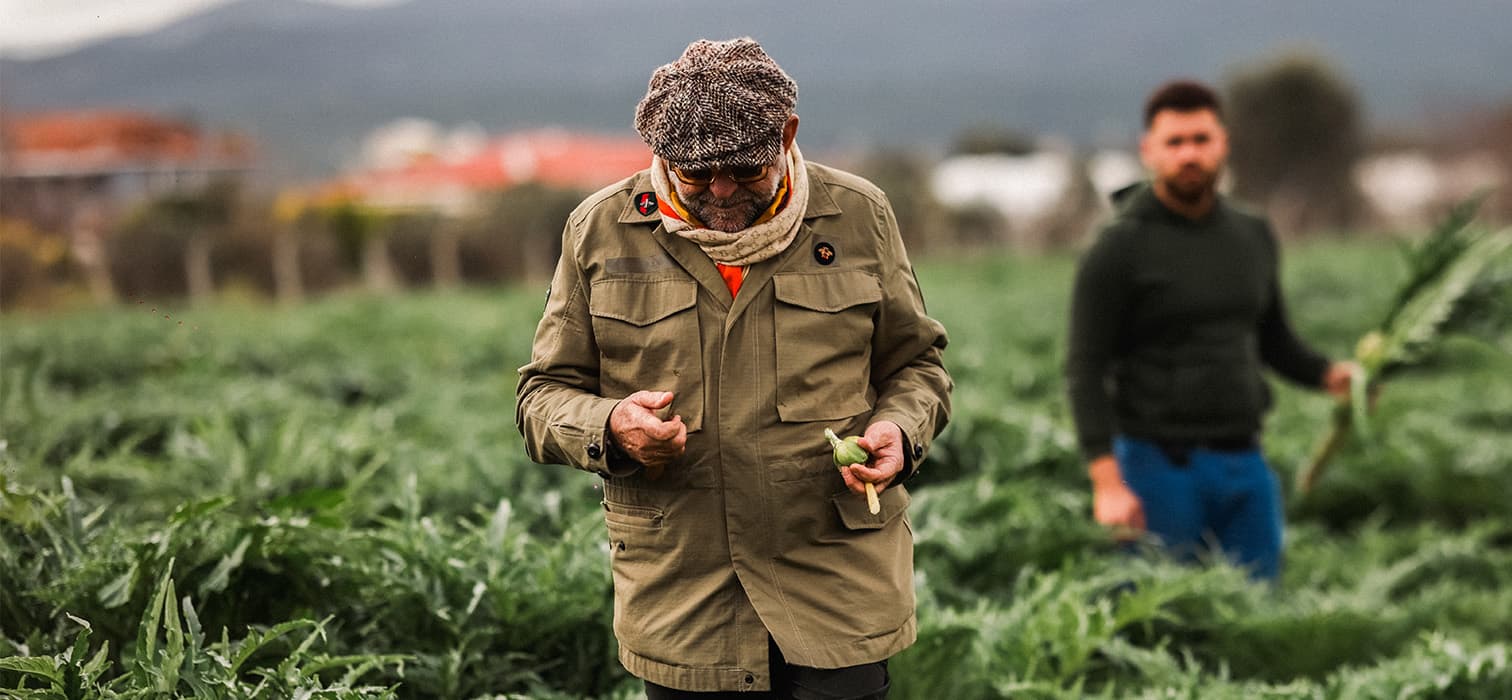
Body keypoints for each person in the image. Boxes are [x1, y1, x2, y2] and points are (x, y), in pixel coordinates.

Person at [516, 37, 952, 699]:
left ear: (789, 134)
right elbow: (542, 395)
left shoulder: (859, 216)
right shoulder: (600, 231)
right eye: (696, 174)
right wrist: (609, 426)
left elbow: (917, 364)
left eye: (745, 170)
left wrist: (900, 428)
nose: (721, 191)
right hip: (682, 598)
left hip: (837, 585)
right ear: (658, 155)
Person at [1064, 80, 1354, 582]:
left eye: (1201, 139)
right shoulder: (1117, 247)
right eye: (1175, 143)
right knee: (1163, 624)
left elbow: (1272, 339)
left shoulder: (1252, 234)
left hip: (1246, 462)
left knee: (1259, 617)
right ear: (1148, 150)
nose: (1189, 154)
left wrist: (1329, 375)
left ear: (1223, 144)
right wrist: (1107, 481)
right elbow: (1084, 370)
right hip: (1157, 467)